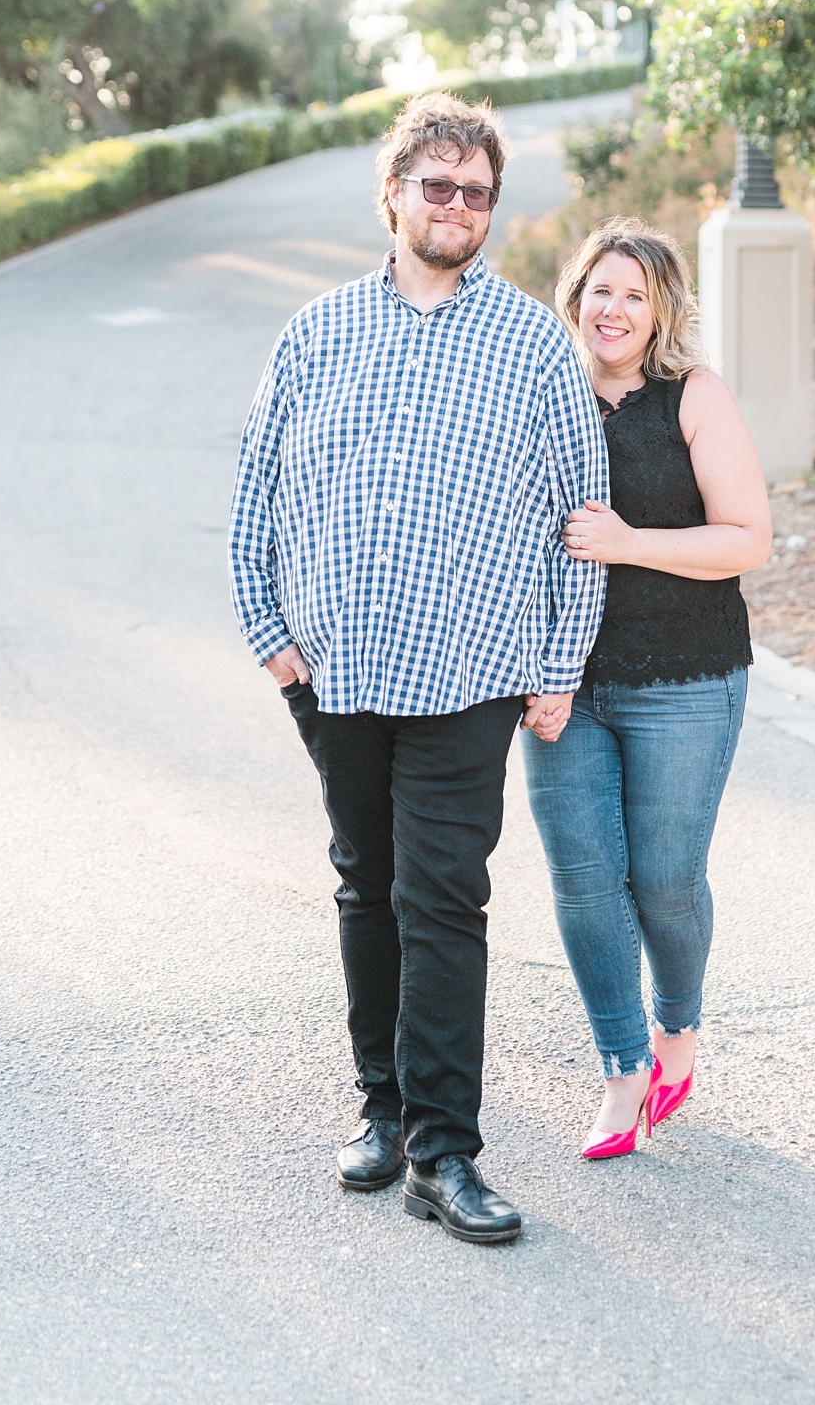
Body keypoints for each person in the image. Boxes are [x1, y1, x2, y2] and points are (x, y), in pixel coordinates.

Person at [228, 92, 608, 1244]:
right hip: (335, 670)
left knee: (444, 899)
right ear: (392, 194)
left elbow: (578, 512)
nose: (456, 206)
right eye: (435, 185)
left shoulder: (536, 343)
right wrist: (269, 630)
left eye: (476, 191)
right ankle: (381, 1109)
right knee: (366, 882)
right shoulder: (317, 331)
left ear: (493, 207)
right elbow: (259, 485)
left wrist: (560, 659)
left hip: (472, 670)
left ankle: (446, 1150)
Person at [522, 218, 772, 1158]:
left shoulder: (693, 398)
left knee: (663, 881)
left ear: (660, 307)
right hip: (562, 682)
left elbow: (747, 537)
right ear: (575, 298)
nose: (614, 308)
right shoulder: (536, 397)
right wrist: (527, 674)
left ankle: (677, 1027)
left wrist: (630, 542)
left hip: (685, 674)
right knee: (586, 882)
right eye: (600, 289)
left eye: (635, 293)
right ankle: (623, 1069)